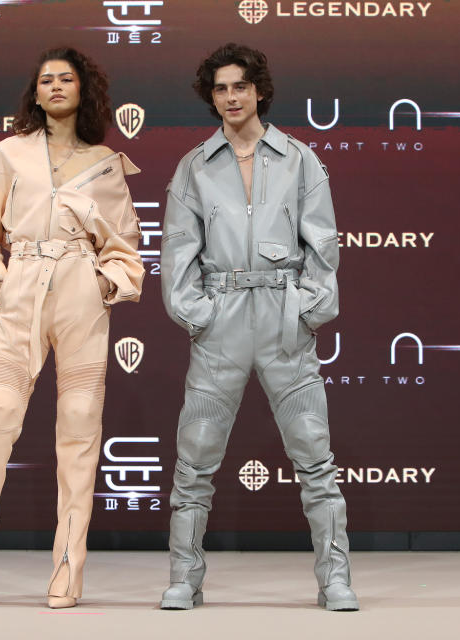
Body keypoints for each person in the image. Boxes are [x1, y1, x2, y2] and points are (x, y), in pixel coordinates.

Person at [0, 46, 144, 609]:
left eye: (67, 79)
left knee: (79, 429)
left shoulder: (105, 162)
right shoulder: (6, 154)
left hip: (81, 289)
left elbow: (125, 245)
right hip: (23, 283)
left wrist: (105, 285)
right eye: (46, 80)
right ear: (35, 93)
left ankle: (66, 569)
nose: (56, 87)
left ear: (84, 90)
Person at [158, 43, 358, 611]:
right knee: (195, 456)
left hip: (282, 319)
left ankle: (335, 579)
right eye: (220, 89)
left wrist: (306, 310)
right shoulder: (195, 166)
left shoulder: (299, 159)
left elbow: (323, 244)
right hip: (221, 319)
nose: (231, 97)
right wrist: (199, 314)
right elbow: (177, 251)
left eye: (240, 86)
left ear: (259, 90)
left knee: (314, 453)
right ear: (211, 97)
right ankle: (183, 578)